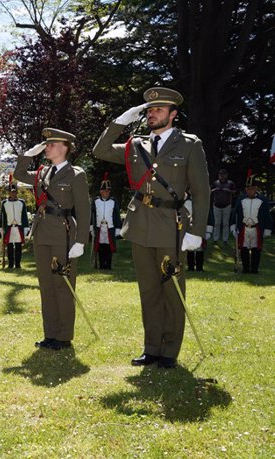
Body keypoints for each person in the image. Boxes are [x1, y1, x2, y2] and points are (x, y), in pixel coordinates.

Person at [92, 87, 210, 369]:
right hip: (141, 226)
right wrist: (120, 121)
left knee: (171, 289)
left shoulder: (189, 145)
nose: (152, 114)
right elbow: (100, 150)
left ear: (173, 114)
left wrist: (196, 232)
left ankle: (169, 351)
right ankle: (152, 348)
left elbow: (202, 192)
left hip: (171, 226)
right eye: (148, 110)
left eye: (158, 109)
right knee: (148, 291)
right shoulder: (137, 145)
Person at [14, 128, 90, 350]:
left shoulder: (76, 174)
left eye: (52, 144)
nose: (47, 147)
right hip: (42, 232)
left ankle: (64, 336)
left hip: (63, 233)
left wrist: (81, 241)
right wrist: (28, 154)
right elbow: (19, 174)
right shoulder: (42, 173)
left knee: (62, 285)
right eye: (46, 144)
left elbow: (84, 211)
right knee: (46, 286)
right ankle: (50, 333)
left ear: (65, 147)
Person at [230, 172, 273, 274]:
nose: (250, 191)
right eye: (248, 188)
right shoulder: (241, 200)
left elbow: (267, 216)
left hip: (256, 228)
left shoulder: (263, 200)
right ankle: (245, 268)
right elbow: (235, 214)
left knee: (256, 249)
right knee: (244, 248)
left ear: (256, 189)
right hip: (244, 227)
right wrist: (233, 227)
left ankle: (254, 269)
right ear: (246, 189)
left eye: (252, 188)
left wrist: (267, 228)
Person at [90, 173, 122, 270]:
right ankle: (100, 265)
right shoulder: (96, 201)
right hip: (99, 227)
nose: (106, 192)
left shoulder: (113, 201)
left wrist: (118, 228)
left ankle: (108, 265)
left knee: (109, 247)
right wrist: (91, 226)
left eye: (107, 191)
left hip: (110, 227)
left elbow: (117, 215)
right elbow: (92, 214)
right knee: (99, 246)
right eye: (104, 191)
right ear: (100, 191)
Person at [0, 182, 29, 269]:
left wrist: (26, 228)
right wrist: (1, 227)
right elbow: (2, 216)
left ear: (17, 192)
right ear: (9, 193)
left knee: (18, 246)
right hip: (9, 227)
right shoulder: (4, 203)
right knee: (9, 247)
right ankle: (11, 264)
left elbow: (24, 216)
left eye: (15, 192)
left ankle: (18, 264)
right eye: (11, 192)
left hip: (18, 227)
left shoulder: (21, 203)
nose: (13, 193)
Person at [184, 194, 214, 272]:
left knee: (199, 248)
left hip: (200, 227)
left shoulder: (203, 202)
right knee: (190, 248)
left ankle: (199, 267)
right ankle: (190, 267)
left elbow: (209, 216)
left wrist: (208, 231)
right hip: (189, 228)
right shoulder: (186, 202)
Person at [211, 168, 236, 245]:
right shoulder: (215, 183)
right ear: (218, 175)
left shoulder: (230, 183)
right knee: (217, 223)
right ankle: (215, 239)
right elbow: (209, 190)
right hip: (216, 205)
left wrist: (229, 191)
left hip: (227, 205)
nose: (222, 176)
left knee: (225, 223)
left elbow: (235, 192)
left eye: (223, 174)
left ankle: (225, 240)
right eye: (220, 174)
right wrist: (215, 190)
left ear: (226, 175)